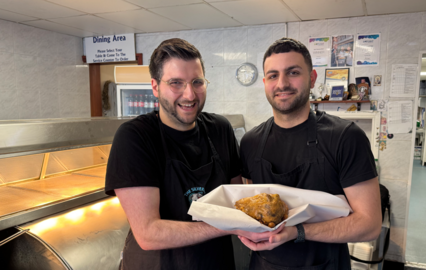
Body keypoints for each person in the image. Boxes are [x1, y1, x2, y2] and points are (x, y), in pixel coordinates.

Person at [239, 37, 382, 269]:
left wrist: (297, 232)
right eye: (273, 75)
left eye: (293, 72)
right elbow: (253, 211)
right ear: (265, 82)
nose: (282, 83)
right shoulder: (250, 142)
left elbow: (370, 224)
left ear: (312, 78)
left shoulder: (345, 137)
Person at [105, 38, 246, 269]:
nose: (190, 95)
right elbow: (148, 233)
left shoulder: (220, 129)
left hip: (214, 261)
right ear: (155, 87)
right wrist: (228, 226)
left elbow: (237, 200)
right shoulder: (136, 137)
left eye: (197, 82)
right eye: (176, 83)